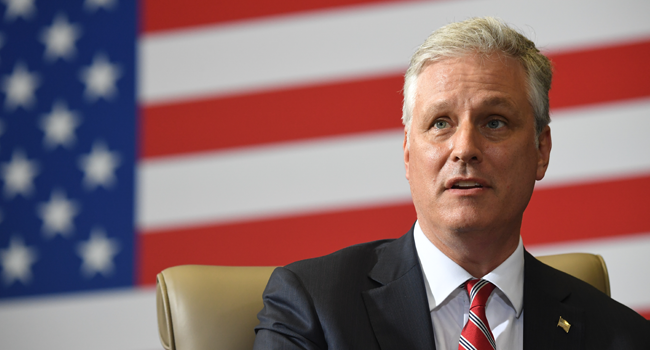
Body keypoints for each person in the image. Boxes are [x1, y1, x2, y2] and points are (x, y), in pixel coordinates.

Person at [253, 17, 649, 350]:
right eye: (441, 123)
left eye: (494, 122)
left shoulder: (622, 336)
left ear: (541, 150)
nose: (464, 149)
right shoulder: (313, 307)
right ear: (408, 154)